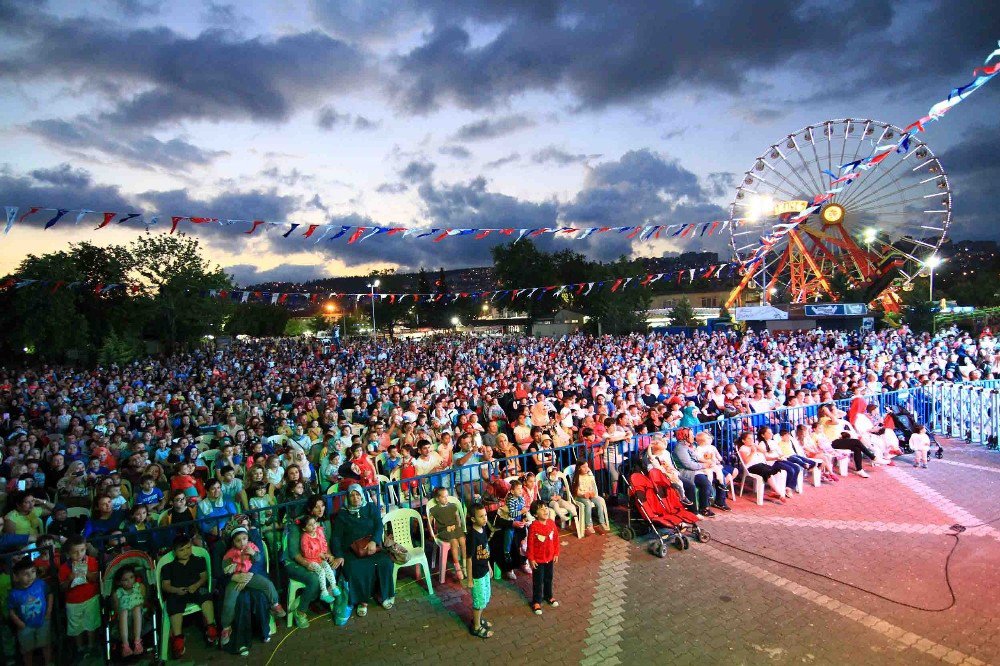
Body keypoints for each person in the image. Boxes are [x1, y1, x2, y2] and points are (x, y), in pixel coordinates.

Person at [330, 484, 395, 619]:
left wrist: (374, 541)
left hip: (371, 547)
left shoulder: (370, 508)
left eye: (358, 494)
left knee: (386, 562)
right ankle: (362, 601)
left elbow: (378, 525)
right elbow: (336, 537)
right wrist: (339, 555)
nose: (355, 498)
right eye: (352, 495)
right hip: (351, 550)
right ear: (348, 498)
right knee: (355, 568)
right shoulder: (343, 514)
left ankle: (382, 595)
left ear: (362, 495)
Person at [219, 527, 285, 646]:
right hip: (236, 578)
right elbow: (225, 567)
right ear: (233, 542)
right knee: (229, 601)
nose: (242, 542)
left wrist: (253, 553)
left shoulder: (252, 546)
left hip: (250, 576)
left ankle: (274, 604)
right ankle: (226, 627)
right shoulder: (230, 553)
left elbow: (259, 559)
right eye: (238, 540)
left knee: (267, 584)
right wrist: (230, 569)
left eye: (244, 538)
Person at [160, 535, 217, 659]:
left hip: (195, 588)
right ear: (174, 552)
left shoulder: (198, 560)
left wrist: (196, 585)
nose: (186, 552)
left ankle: (211, 626)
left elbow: (204, 576)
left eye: (188, 548)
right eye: (182, 550)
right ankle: (178, 637)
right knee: (173, 604)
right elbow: (165, 585)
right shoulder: (168, 566)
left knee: (206, 596)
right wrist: (176, 590)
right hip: (178, 592)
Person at [58, 536, 101, 657]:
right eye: (75, 552)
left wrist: (86, 572)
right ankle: (80, 648)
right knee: (76, 627)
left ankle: (92, 645)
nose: (79, 554)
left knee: (91, 623)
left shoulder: (92, 561)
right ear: (68, 553)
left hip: (91, 598)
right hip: (73, 602)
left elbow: (96, 578)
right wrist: (70, 578)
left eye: (82, 550)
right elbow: (62, 588)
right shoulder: (64, 568)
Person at [7, 556, 53, 666]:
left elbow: (50, 594)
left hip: (43, 621)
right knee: (27, 650)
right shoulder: (14, 593)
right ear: (16, 577)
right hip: (25, 626)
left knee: (46, 644)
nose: (30, 576)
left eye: (33, 572)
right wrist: (19, 623)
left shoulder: (40, 583)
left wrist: (48, 611)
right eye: (25, 574)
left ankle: (49, 663)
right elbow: (11, 610)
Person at [464, 503, 494, 639]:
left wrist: (489, 566)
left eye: (485, 515)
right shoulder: (472, 536)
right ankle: (476, 627)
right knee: (479, 601)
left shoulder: (483, 530)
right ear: (473, 519)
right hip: (476, 574)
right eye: (481, 516)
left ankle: (478, 619)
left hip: (484, 570)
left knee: (485, 597)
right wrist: (469, 579)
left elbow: (485, 549)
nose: (485, 519)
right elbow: (469, 558)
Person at [525, 500, 560, 616]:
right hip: (538, 560)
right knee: (538, 581)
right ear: (535, 514)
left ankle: (548, 596)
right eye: (541, 509)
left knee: (548, 578)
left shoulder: (551, 523)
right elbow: (530, 544)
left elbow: (556, 540)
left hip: (549, 558)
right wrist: (531, 559)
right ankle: (536, 601)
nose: (545, 510)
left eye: (546, 508)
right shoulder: (533, 527)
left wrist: (556, 553)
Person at [299, 514, 341, 605]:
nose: (314, 526)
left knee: (327, 566)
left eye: (314, 523)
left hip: (320, 558)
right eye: (310, 525)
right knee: (321, 571)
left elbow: (324, 543)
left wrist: (325, 554)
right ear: (304, 529)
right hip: (310, 560)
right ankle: (324, 592)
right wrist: (319, 554)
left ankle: (333, 586)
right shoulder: (305, 537)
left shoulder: (319, 532)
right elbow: (306, 552)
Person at [736, 431, 788, 502]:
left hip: (761, 465)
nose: (751, 440)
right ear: (743, 440)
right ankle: (780, 494)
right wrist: (752, 452)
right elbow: (746, 461)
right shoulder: (743, 448)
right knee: (768, 472)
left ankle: (777, 492)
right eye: (749, 439)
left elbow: (765, 452)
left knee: (777, 471)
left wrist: (756, 446)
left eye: (752, 439)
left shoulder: (753, 446)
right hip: (751, 467)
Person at [428, 486, 466, 580]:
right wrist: (432, 534)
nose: (446, 498)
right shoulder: (435, 509)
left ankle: (465, 565)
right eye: (443, 497)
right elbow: (429, 521)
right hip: (444, 531)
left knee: (462, 540)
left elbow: (457, 516)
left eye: (447, 496)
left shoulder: (452, 506)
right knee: (454, 542)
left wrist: (458, 525)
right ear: (437, 499)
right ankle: (458, 568)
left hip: (454, 528)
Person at [111, 564, 146, 657]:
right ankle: (125, 645)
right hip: (124, 615)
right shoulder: (118, 592)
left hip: (139, 613)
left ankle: (137, 642)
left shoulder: (139, 586)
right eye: (125, 580)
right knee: (123, 611)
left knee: (137, 608)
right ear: (119, 582)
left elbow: (144, 600)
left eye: (131, 577)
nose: (130, 581)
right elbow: (117, 607)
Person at [571, 460, 609, 535]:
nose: (586, 469)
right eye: (583, 467)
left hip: (589, 495)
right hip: (580, 496)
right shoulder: (576, 478)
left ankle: (602, 522)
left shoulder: (590, 477)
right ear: (579, 468)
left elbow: (593, 488)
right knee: (588, 504)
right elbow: (576, 492)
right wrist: (583, 495)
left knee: (599, 502)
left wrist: (592, 493)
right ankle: (589, 524)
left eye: (587, 467)